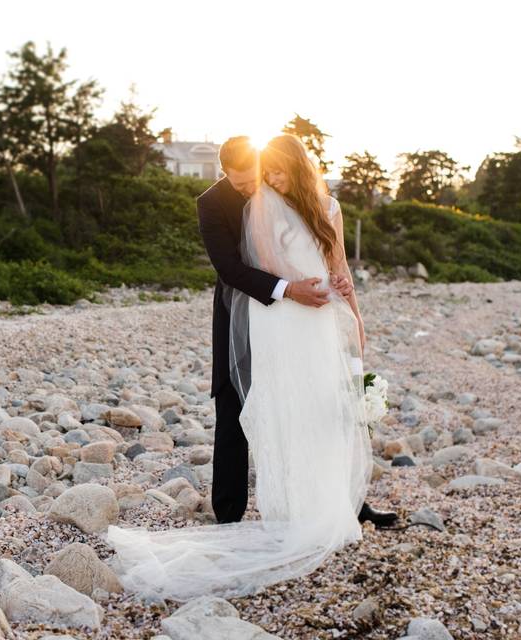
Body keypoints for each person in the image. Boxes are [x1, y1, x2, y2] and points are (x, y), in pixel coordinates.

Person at [104, 135, 395, 602]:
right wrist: (291, 288)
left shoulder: (296, 196)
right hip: (253, 314)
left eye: (256, 179)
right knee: (235, 408)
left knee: (322, 403)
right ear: (226, 174)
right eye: (242, 182)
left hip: (308, 312)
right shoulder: (215, 203)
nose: (250, 189)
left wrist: (343, 298)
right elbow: (230, 268)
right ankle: (229, 517)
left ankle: (347, 504)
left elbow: (329, 255)